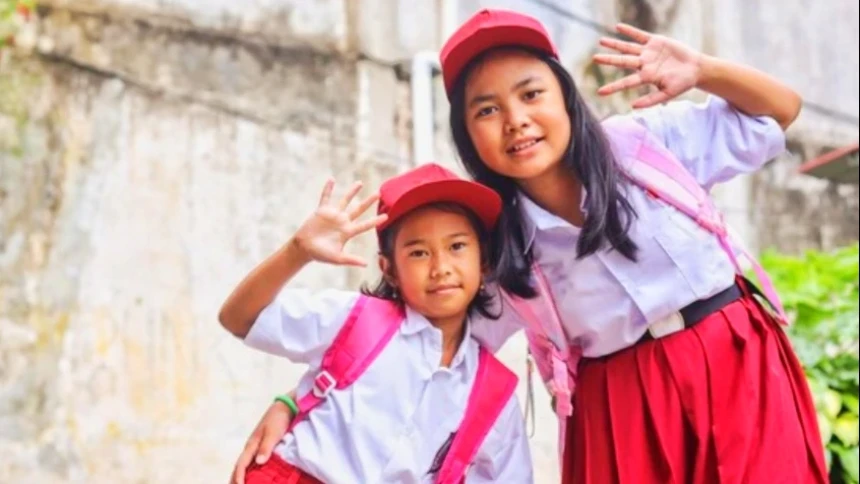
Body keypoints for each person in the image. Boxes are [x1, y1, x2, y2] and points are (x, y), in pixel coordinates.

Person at [233, 8, 827, 484]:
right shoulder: (498, 252)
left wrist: (705, 70)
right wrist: (296, 401)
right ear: (469, 136)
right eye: (486, 110)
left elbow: (777, 114)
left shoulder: (646, 147)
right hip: (617, 402)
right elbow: (420, 349)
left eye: (530, 94)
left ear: (565, 96)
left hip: (732, 355)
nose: (515, 120)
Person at [219, 163, 533, 483]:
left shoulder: (494, 393)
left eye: (456, 247)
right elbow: (237, 318)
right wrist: (297, 252)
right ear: (389, 270)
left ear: (484, 262)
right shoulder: (355, 318)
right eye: (419, 253)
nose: (440, 268)